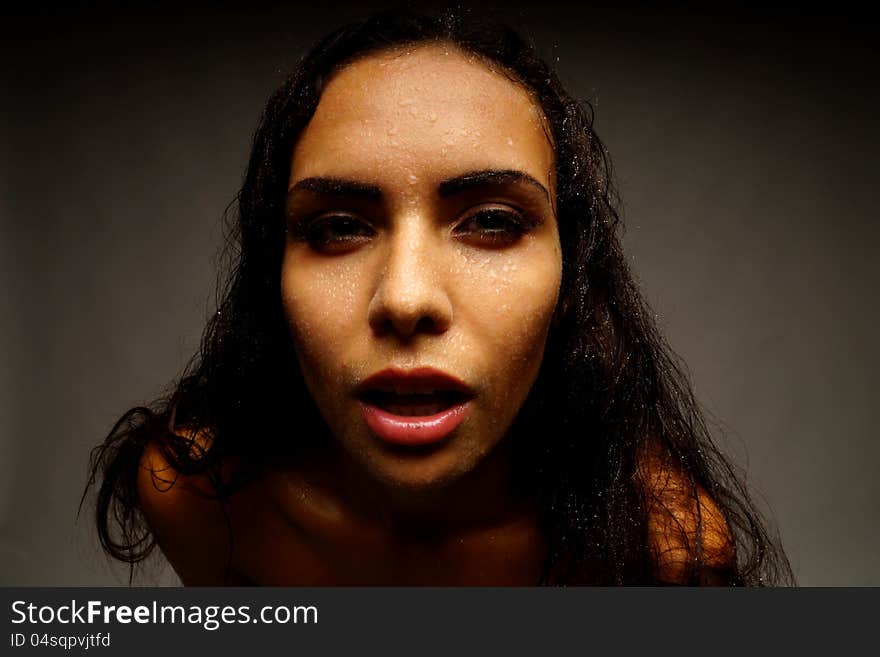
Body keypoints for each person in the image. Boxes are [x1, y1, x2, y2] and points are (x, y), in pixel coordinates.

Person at [84, 8, 793, 586]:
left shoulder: (662, 550)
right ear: (274, 274)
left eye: (491, 221)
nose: (406, 297)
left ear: (571, 279)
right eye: (337, 228)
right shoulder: (202, 496)